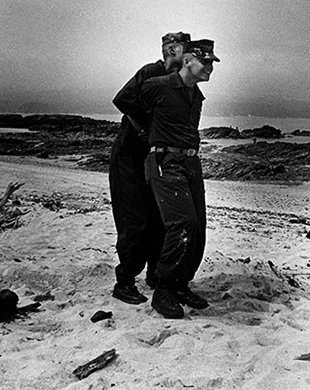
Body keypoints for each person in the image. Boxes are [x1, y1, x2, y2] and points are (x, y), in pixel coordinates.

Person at [133, 39, 220, 319]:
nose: (209, 67)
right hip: (164, 162)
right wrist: (144, 136)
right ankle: (163, 288)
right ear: (187, 61)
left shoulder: (196, 96)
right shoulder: (158, 85)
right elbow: (127, 103)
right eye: (204, 62)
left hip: (190, 163)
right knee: (183, 223)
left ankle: (181, 284)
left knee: (198, 227)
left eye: (211, 63)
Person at [110, 32, 192, 305]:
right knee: (135, 220)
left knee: (159, 219)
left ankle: (155, 275)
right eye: (184, 49)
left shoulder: (178, 80)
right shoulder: (150, 72)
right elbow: (122, 99)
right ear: (171, 49)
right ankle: (124, 281)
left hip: (154, 158)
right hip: (129, 156)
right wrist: (142, 127)